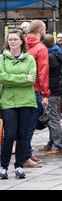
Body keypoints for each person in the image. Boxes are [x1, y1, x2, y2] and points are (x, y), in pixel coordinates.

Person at [0, 29, 37, 179]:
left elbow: (32, 78)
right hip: (8, 101)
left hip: (26, 101)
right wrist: (23, 78)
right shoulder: (2, 59)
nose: (12, 42)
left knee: (22, 135)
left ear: (22, 41)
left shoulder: (30, 59)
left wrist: (11, 79)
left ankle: (19, 166)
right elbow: (2, 77)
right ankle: (3, 166)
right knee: (8, 135)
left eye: (15, 39)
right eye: (10, 39)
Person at [24, 20, 50, 168]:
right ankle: (25, 156)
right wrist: (45, 94)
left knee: (24, 124)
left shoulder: (23, 45)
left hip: (20, 89)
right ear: (41, 30)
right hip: (34, 91)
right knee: (30, 125)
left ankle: (27, 151)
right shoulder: (41, 48)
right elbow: (43, 72)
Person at [39, 34, 62, 155]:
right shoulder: (56, 53)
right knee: (50, 118)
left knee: (53, 118)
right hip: (53, 89)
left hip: (51, 91)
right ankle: (51, 143)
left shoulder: (50, 56)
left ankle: (57, 145)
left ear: (43, 44)